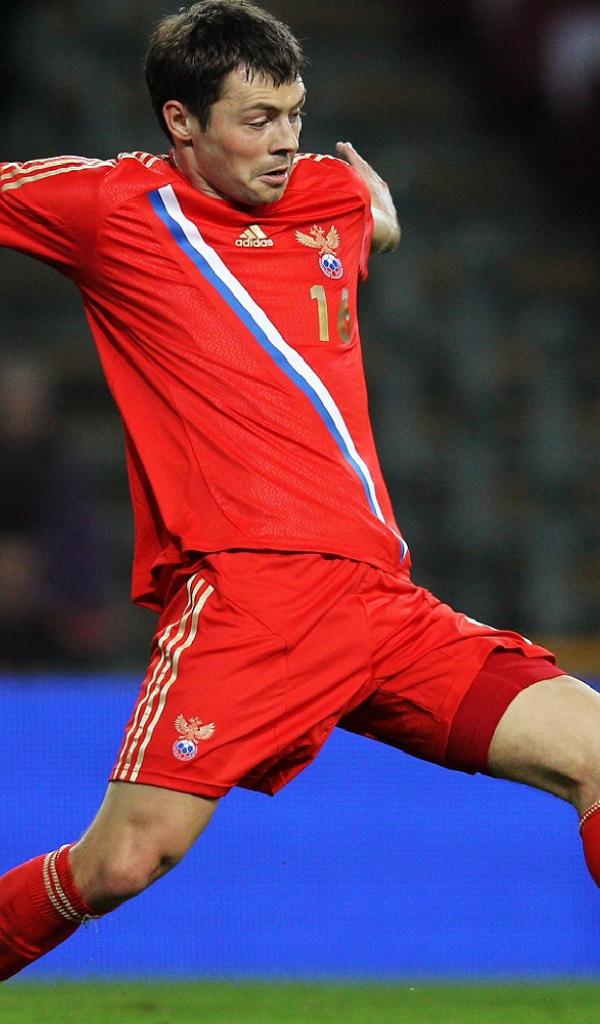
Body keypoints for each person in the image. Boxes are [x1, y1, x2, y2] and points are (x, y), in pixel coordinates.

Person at [1, 0, 599, 982]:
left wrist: (383, 225)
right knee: (121, 863)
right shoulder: (112, 208)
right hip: (253, 601)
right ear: (181, 122)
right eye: (257, 120)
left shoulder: (327, 192)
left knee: (595, 750)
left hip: (381, 605)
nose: (285, 142)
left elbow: (364, 224)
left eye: (295, 114)